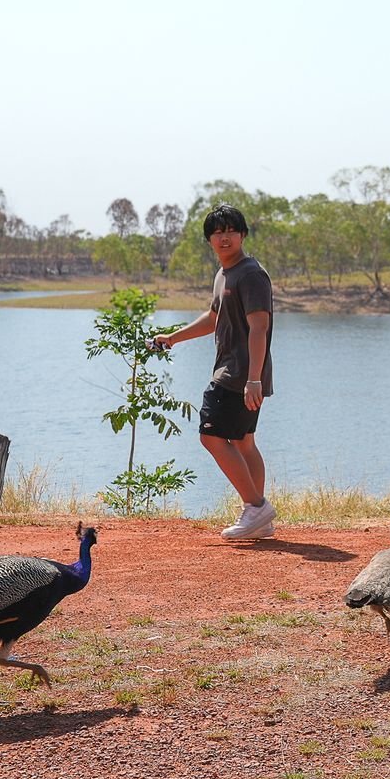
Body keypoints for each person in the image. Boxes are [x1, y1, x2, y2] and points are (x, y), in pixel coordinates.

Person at [152, 202, 276, 540]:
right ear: (209, 239)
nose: (224, 237)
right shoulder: (224, 274)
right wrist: (173, 338)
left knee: (211, 435)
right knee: (244, 441)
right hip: (240, 372)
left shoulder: (250, 274)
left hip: (238, 374)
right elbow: (213, 317)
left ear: (243, 235)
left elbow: (259, 328)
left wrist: (253, 378)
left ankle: (256, 507)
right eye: (217, 232)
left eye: (230, 231)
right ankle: (259, 520)